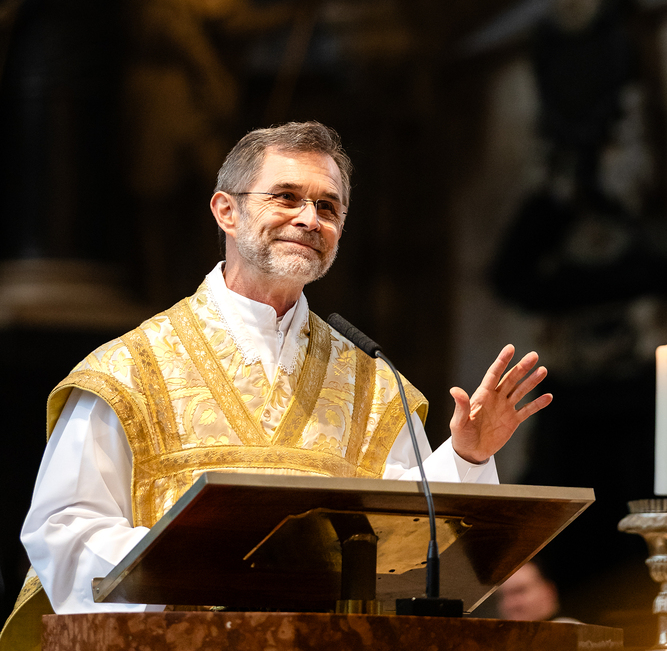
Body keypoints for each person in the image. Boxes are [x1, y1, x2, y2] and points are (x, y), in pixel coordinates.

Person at [1, 121, 552, 648]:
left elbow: (412, 541)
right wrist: (195, 576)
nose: (310, 219)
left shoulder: (376, 385)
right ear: (226, 211)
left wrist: (467, 456)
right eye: (286, 197)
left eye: (328, 207)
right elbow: (65, 531)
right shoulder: (128, 370)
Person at [497, 559, 580, 623]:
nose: (509, 604)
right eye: (501, 596)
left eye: (520, 591)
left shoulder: (570, 631)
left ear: (549, 591)